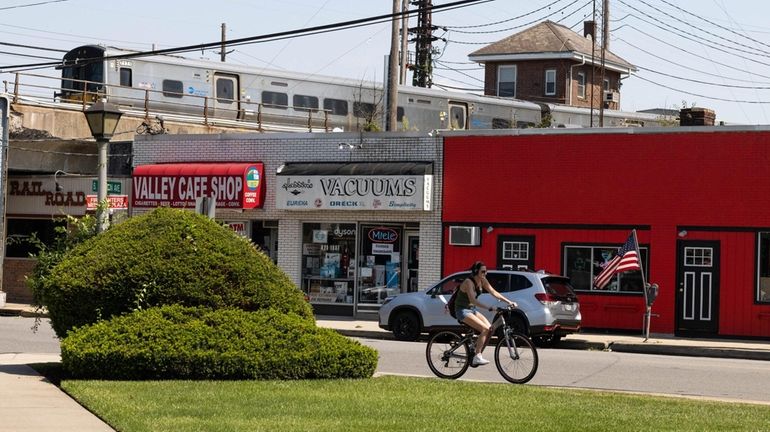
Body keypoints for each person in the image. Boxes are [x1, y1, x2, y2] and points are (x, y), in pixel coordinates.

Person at [454, 261, 517, 366]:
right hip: (462, 310)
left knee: (490, 329)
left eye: (486, 271)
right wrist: (489, 308)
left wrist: (509, 302)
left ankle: (474, 350)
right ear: (476, 271)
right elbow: (473, 300)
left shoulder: (482, 280)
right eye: (483, 271)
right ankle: (477, 356)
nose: (485, 273)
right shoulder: (468, 282)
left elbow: (493, 292)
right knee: (485, 329)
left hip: (472, 310)